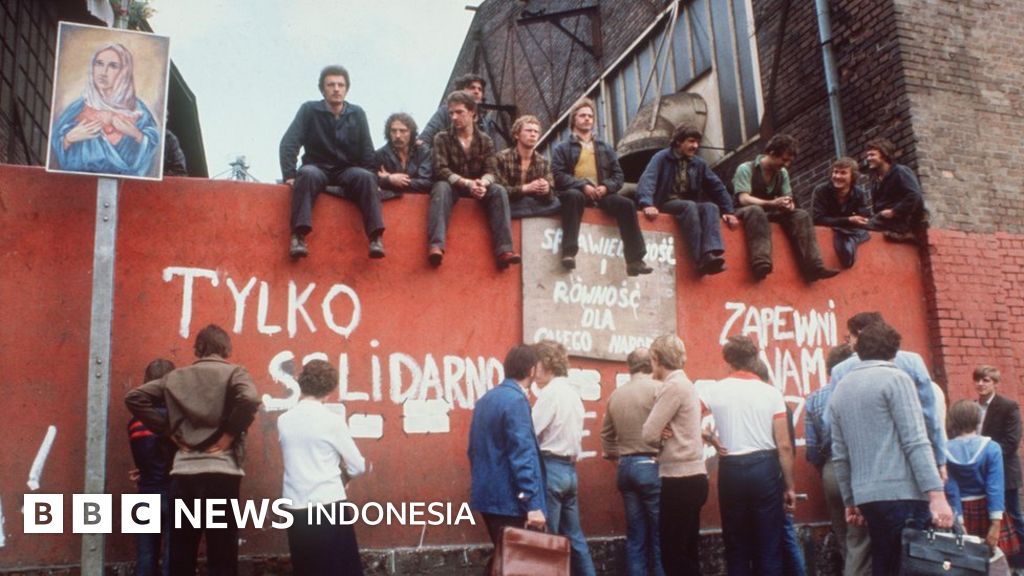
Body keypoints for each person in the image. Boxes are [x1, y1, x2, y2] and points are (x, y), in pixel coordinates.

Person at [125, 325, 261, 576]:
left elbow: (134, 398)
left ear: (198, 349)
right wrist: (229, 434)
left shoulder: (176, 378)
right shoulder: (235, 373)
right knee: (222, 554)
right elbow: (251, 398)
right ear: (226, 348)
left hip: (184, 475)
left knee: (181, 554)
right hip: (222, 474)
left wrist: (168, 432)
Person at [829, 322, 953, 575]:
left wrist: (850, 501)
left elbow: (840, 454)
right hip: (904, 492)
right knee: (910, 566)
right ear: (894, 350)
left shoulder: (841, 388)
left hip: (867, 496)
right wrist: (937, 495)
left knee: (884, 563)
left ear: (859, 350)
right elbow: (915, 440)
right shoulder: (897, 379)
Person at [696, 336, 795, 575]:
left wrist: (708, 437)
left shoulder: (714, 390)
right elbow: (784, 446)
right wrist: (789, 486)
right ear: (754, 358)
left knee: (736, 544)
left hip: (731, 468)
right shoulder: (771, 393)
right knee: (769, 544)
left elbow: (685, 418)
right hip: (765, 468)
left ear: (727, 360)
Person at [280, 65, 385, 260]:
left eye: (340, 85)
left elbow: (367, 150)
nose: (336, 89)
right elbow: (289, 143)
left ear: (346, 89)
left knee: (366, 177)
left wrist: (373, 180)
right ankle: (298, 237)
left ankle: (375, 238)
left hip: (347, 170)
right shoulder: (309, 110)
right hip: (317, 167)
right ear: (322, 89)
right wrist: (289, 175)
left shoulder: (357, 113)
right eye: (331, 85)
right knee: (307, 174)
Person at [829, 312, 947, 472]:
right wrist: (939, 459)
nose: (848, 343)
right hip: (913, 457)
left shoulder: (840, 370)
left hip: (865, 463)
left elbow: (832, 423)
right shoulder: (913, 362)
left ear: (859, 334)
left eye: (849, 337)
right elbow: (930, 415)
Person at [278, 360, 366, 575]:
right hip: (328, 503)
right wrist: (345, 476)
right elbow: (358, 466)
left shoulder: (284, 420)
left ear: (301, 384)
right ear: (329, 390)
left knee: (306, 566)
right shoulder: (332, 421)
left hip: (295, 505)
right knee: (338, 567)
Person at [467, 344, 547, 572]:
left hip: (487, 495)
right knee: (517, 563)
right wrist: (532, 504)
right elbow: (522, 455)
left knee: (505, 558)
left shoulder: (486, 400)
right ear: (531, 370)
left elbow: (473, 450)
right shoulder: (516, 401)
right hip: (510, 500)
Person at [551, 98, 652, 276]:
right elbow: (558, 176)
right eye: (583, 115)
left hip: (601, 194)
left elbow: (618, 176)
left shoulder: (605, 147)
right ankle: (569, 252)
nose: (587, 119)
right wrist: (582, 185)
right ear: (574, 119)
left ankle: (635, 261)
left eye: (590, 116)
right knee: (574, 196)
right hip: (576, 193)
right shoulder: (562, 148)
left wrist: (606, 187)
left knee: (626, 205)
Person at [427, 90, 519, 269]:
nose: (454, 117)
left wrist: (483, 183)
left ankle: (505, 250)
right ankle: (436, 246)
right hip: (453, 186)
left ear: (472, 113)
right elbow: (440, 169)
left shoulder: (485, 140)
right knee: (441, 187)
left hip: (478, 186)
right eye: (451, 113)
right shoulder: (441, 138)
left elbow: (491, 171)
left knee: (499, 190)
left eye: (459, 112)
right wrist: (467, 183)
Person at [641, 334, 707, 575]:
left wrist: (659, 434)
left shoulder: (672, 386)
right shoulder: (686, 384)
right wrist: (664, 430)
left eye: (652, 360)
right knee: (687, 553)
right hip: (694, 476)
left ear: (657, 359)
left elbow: (648, 433)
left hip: (679, 479)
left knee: (673, 555)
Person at [732, 134, 838, 281]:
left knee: (801, 215)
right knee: (756, 210)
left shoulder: (782, 173)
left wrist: (788, 205)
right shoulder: (746, 168)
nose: (786, 164)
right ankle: (761, 263)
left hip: (769, 213)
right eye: (784, 159)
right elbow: (743, 199)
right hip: (745, 212)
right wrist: (772, 203)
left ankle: (814, 266)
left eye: (789, 161)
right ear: (771, 153)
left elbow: (788, 198)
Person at [804, 344, 870, 576]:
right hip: (861, 467)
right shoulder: (861, 391)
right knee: (861, 540)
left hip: (831, 469)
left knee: (844, 537)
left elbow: (812, 450)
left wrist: (826, 469)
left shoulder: (814, 399)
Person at [637, 124, 737, 276]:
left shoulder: (698, 163)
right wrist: (647, 204)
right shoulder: (662, 157)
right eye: (691, 141)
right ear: (679, 142)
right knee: (689, 206)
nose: (695, 146)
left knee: (711, 207)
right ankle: (700, 258)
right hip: (665, 203)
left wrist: (729, 211)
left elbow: (717, 187)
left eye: (697, 142)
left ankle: (710, 253)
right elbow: (648, 180)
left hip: (689, 205)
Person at [532, 340, 597, 576]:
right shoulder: (572, 393)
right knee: (575, 538)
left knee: (547, 541)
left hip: (550, 468)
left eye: (536, 364)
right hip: (569, 470)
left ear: (546, 364)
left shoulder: (549, 394)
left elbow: (531, 431)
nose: (533, 371)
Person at [50, 42, 160, 177]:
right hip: (78, 184)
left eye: (113, 66)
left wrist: (136, 134)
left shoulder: (138, 110)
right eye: (99, 64)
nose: (103, 72)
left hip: (126, 186)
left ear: (124, 72)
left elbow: (152, 144)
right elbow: (55, 145)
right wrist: (68, 139)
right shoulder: (77, 108)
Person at [601, 348, 665, 576]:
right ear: (652, 363)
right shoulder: (660, 390)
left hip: (626, 467)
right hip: (652, 465)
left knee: (635, 536)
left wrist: (617, 459)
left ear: (629, 367)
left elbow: (606, 436)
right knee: (660, 535)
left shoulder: (616, 395)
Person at [944, 399, 1019, 556]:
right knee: (994, 558)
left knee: (966, 559)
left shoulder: (944, 450)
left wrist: (959, 521)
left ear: (953, 421)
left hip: (961, 509)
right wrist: (996, 523)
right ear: (978, 420)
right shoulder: (992, 448)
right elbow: (995, 487)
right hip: (987, 508)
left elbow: (951, 488)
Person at [128, 359, 176, 576]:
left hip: (144, 492)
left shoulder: (134, 422)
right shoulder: (177, 421)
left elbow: (145, 457)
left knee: (145, 558)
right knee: (173, 559)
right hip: (173, 492)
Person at [976, 365, 1024, 545]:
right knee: (988, 517)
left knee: (1013, 516)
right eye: (977, 380)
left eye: (986, 380)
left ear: (995, 383)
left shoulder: (1008, 406)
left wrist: (984, 457)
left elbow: (1011, 442)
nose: (980, 384)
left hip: (1005, 471)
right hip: (980, 473)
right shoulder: (972, 407)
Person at [495, 115, 560, 219]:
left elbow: (551, 196)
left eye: (536, 132)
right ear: (517, 135)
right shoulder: (501, 158)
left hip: (529, 203)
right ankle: (524, 212)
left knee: (556, 202)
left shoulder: (543, 161)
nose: (533, 134)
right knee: (499, 203)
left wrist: (546, 189)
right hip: (510, 202)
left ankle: (520, 212)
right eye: (529, 130)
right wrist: (526, 188)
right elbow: (499, 191)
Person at [811, 157, 871, 268]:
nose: (837, 176)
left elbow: (864, 216)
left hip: (851, 233)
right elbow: (817, 219)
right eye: (835, 172)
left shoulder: (859, 193)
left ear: (852, 176)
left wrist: (861, 219)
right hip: (824, 240)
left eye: (843, 173)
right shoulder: (821, 190)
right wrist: (848, 220)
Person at [418, 72, 504, 149]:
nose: (476, 91)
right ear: (461, 90)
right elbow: (424, 140)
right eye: (472, 88)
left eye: (480, 89)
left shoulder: (485, 122)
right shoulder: (446, 112)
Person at [863, 138, 925, 242]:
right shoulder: (875, 181)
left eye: (872, 155)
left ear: (884, 155)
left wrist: (895, 211)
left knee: (857, 229)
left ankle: (905, 234)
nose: (868, 159)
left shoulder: (900, 171)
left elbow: (915, 195)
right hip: (883, 220)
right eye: (867, 156)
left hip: (900, 221)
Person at [375, 112, 432, 195]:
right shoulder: (380, 155)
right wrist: (390, 179)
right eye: (393, 131)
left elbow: (427, 184)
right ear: (388, 133)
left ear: (411, 133)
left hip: (419, 201)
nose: (397, 135)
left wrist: (394, 180)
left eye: (403, 131)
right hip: (392, 201)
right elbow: (374, 181)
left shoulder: (423, 152)